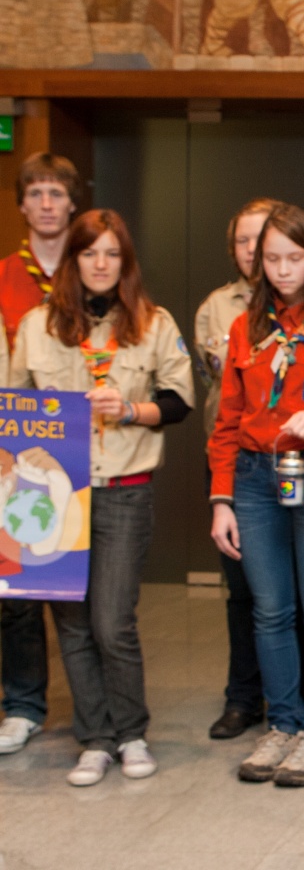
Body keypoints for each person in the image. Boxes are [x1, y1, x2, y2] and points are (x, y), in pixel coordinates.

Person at [10, 210, 195, 786]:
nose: (100, 264)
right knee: (71, 621)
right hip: (54, 495)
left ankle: (132, 731)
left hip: (122, 491)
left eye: (112, 254)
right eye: (90, 253)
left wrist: (131, 409)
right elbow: (15, 410)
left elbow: (178, 400)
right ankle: (94, 739)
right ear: (74, 260)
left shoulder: (152, 321)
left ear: (125, 262)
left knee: (112, 620)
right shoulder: (38, 325)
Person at [208, 202, 304, 787]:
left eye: (293, 258)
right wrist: (221, 499)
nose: (281, 270)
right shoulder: (244, 328)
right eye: (270, 259)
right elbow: (226, 420)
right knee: (269, 609)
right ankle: (283, 724)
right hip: (254, 477)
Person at [0, 152, 80, 757]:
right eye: (37, 193)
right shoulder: (5, 275)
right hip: (16, 446)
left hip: (82, 451)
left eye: (57, 192)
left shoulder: (95, 267)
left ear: (71, 202)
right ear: (23, 204)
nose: (47, 203)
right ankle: (23, 704)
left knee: (79, 586)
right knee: (21, 580)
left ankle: (93, 710)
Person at [194, 197, 276, 741]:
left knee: (291, 597)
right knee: (242, 591)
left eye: (263, 238)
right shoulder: (215, 309)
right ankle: (243, 698)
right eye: (244, 240)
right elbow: (216, 394)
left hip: (294, 465)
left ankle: (300, 706)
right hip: (232, 461)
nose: (254, 249)